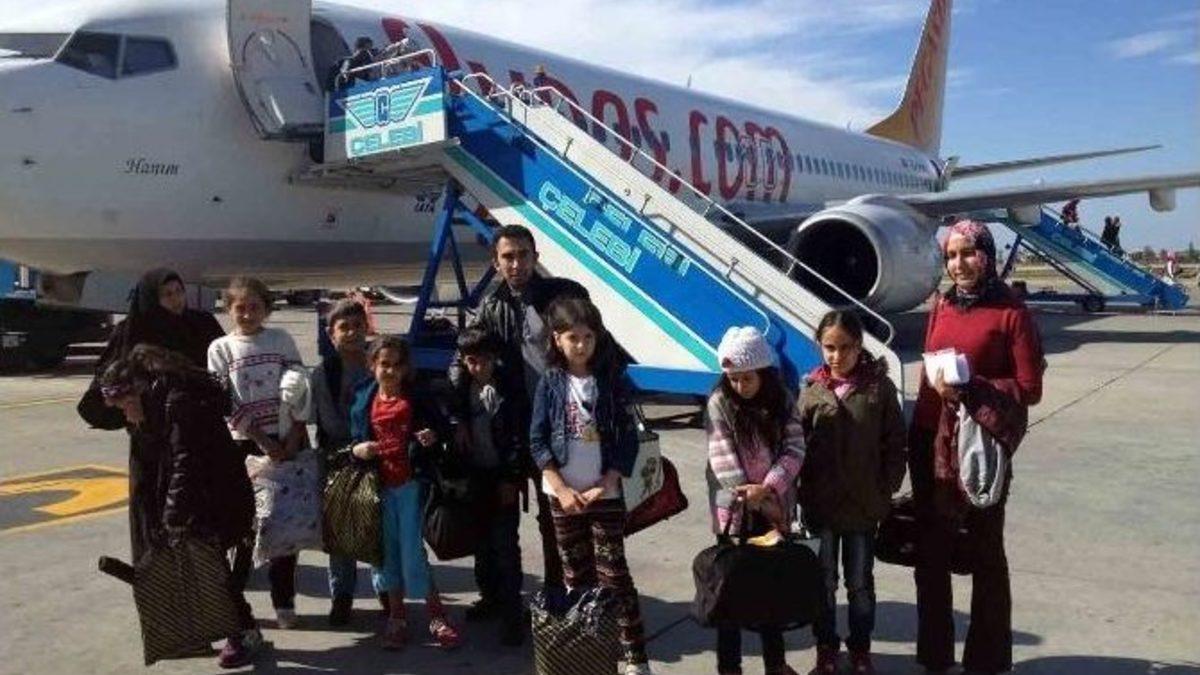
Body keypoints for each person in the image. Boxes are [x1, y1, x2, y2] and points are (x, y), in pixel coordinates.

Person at [910, 220, 1044, 675]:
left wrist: (970, 387)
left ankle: (986, 660)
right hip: (931, 442)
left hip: (980, 445)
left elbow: (1029, 388)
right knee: (931, 555)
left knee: (986, 552)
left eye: (968, 253)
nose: (959, 264)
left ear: (986, 254)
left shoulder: (1012, 313)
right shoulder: (942, 304)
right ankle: (935, 656)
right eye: (951, 255)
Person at [448, 224, 588, 595]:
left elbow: (593, 348)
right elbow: (462, 357)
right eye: (507, 257)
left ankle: (560, 594)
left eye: (523, 255)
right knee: (497, 515)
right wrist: (459, 416)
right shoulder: (491, 306)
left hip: (558, 425)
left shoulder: (563, 298)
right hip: (510, 427)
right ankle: (499, 597)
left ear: (535, 257)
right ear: (495, 263)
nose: (516, 264)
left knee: (556, 515)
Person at [98, 344, 258, 669]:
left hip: (216, 494)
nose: (126, 413)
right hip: (198, 496)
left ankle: (242, 632)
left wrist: (173, 514)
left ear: (138, 389)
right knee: (202, 567)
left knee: (210, 567)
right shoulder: (157, 402)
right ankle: (228, 629)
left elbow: (186, 460)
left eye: (126, 404)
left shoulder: (179, 403)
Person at [530, 297, 651, 675]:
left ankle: (635, 656)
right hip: (562, 497)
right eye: (572, 338)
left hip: (605, 494)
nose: (581, 345)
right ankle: (589, 655)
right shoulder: (550, 383)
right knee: (575, 575)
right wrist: (561, 489)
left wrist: (607, 481)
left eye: (588, 337)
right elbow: (538, 440)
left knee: (614, 574)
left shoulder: (611, 381)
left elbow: (628, 438)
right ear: (556, 339)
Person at [78, 267, 225, 560]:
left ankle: (208, 574)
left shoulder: (201, 325)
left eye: (179, 292)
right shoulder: (131, 332)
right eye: (167, 295)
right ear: (150, 299)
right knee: (153, 513)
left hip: (199, 436)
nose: (176, 300)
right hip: (152, 443)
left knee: (202, 510)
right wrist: (124, 403)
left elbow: (224, 370)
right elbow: (101, 391)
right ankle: (155, 574)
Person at [798, 311, 906, 675]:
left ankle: (860, 648)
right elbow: (796, 445)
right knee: (823, 582)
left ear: (859, 347)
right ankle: (826, 647)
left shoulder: (878, 388)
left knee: (860, 583)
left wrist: (886, 486)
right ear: (820, 346)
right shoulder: (812, 390)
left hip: (863, 506)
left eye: (845, 347)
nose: (837, 355)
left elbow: (895, 441)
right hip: (822, 507)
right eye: (829, 347)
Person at [349, 335, 462, 650]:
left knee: (412, 551)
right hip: (378, 487)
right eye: (384, 364)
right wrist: (359, 449)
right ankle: (396, 616)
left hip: (410, 484)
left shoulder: (418, 396)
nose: (391, 371)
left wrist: (431, 437)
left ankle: (436, 615)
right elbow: (352, 441)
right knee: (386, 553)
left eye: (397, 365)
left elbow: (442, 430)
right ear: (372, 365)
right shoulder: (363, 397)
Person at [207, 277, 307, 629]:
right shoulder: (220, 348)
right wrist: (263, 441)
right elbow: (224, 402)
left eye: (255, 307)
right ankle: (233, 604)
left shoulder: (281, 340)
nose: (248, 314)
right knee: (244, 524)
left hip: (288, 441)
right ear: (228, 309)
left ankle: (284, 600)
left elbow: (299, 386)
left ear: (266, 308)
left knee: (285, 524)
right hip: (246, 444)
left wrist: (294, 434)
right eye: (240, 308)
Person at [705, 325, 805, 675]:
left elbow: (794, 448)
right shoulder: (719, 402)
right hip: (733, 513)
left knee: (769, 590)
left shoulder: (783, 402)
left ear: (764, 372)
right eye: (733, 379)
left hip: (772, 508)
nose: (740, 386)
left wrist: (770, 488)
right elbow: (721, 457)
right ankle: (729, 666)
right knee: (730, 590)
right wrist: (749, 494)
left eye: (747, 378)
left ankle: (775, 664)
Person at [449, 329, 527, 645]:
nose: (478, 367)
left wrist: (511, 478)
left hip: (501, 475)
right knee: (481, 544)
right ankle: (489, 597)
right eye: (471, 361)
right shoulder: (461, 389)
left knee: (505, 545)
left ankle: (511, 613)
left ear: (494, 358)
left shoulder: (508, 390)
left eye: (483, 360)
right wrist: (457, 423)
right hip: (475, 476)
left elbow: (519, 437)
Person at [309, 299, 372, 626]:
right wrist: (354, 448)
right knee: (339, 531)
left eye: (357, 326)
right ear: (331, 334)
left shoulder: (379, 363)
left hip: (376, 455)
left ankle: (386, 590)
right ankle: (342, 595)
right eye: (343, 328)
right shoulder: (324, 373)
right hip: (337, 458)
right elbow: (329, 421)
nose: (351, 333)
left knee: (378, 528)